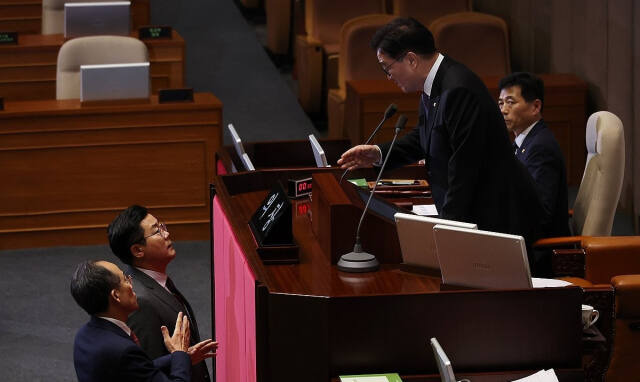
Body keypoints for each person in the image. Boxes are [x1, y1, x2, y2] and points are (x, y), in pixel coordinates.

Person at [338, 17, 542, 248]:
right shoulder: (434, 83)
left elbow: (464, 167)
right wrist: (377, 153)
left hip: (497, 217)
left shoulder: (458, 89)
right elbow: (424, 137)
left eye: (387, 67)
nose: (388, 76)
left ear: (411, 60)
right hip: (476, 210)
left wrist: (446, 233)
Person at [108, 205, 214, 382]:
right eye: (157, 231)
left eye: (162, 226)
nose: (166, 234)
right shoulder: (140, 302)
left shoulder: (152, 279)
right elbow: (150, 369)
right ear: (138, 250)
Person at [71, 260, 200, 382]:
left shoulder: (83, 336)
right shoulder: (123, 350)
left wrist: (177, 359)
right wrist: (179, 352)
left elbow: (134, 370)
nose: (131, 284)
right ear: (116, 295)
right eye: (125, 279)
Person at [498, 72, 570, 239]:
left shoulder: (541, 148)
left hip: (541, 251)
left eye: (510, 102)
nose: (503, 110)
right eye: (500, 103)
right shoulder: (523, 143)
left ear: (535, 107)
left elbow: (541, 215)